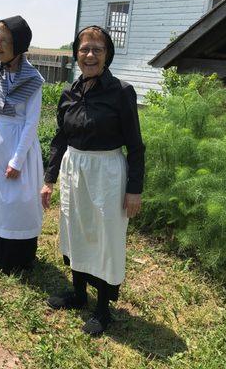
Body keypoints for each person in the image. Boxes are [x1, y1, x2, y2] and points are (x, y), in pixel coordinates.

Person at [40, 25, 145, 336]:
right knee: (75, 229)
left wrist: (134, 190)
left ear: (107, 55)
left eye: (97, 49)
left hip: (108, 173)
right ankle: (77, 293)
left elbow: (136, 146)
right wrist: (49, 179)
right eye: (84, 49)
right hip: (74, 169)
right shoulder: (68, 93)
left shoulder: (121, 92)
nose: (90, 55)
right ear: (76, 53)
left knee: (104, 237)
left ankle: (103, 309)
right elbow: (60, 138)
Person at [0, 15, 45, 274]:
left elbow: (31, 122)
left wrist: (17, 160)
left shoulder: (33, 79)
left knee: (16, 201)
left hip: (17, 147)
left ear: (20, 44)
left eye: (5, 40)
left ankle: (16, 257)